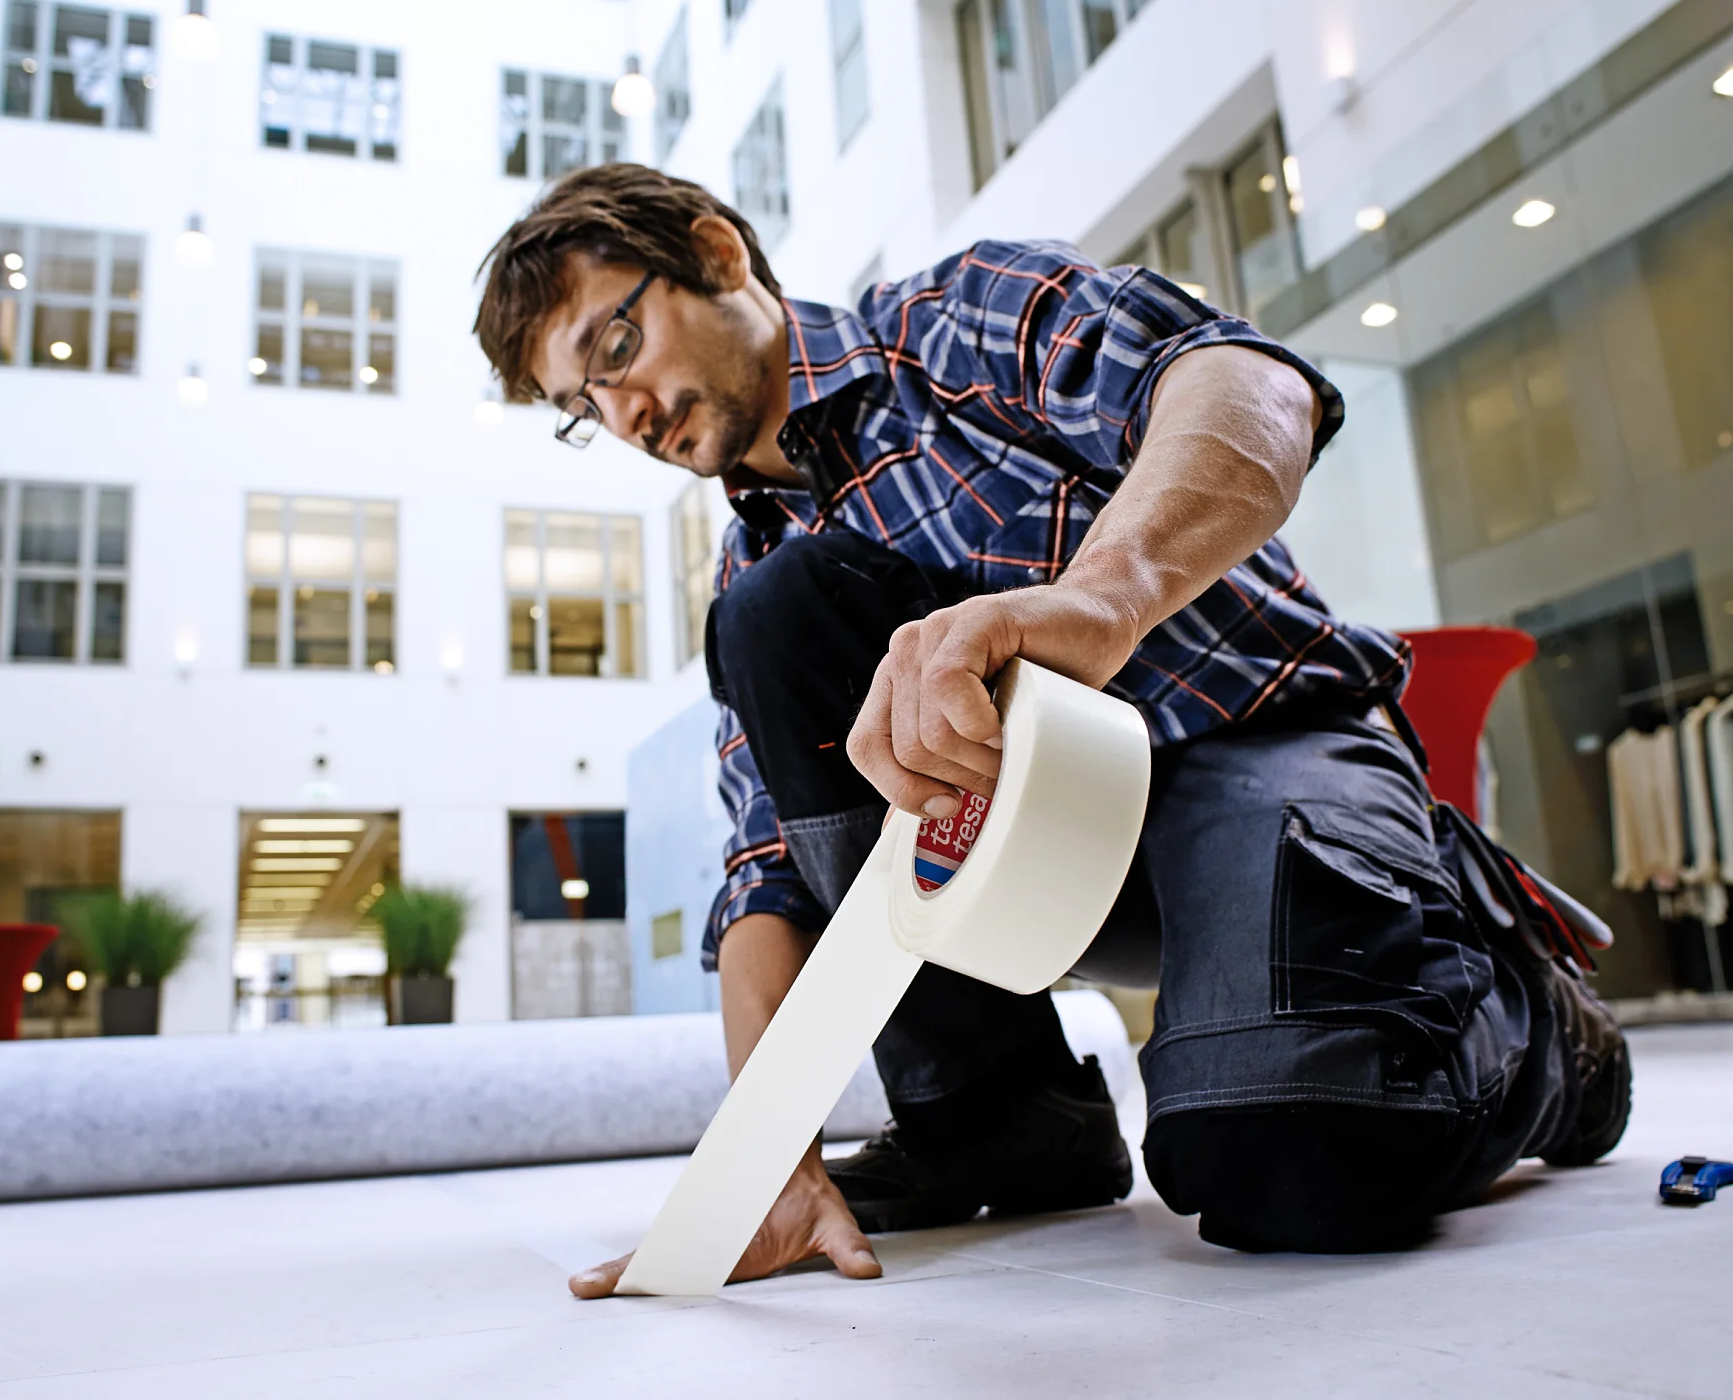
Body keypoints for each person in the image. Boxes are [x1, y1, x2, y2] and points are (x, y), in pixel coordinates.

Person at [473, 164, 1631, 1298]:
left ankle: (1540, 1031)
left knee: (1287, 1153)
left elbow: (1249, 385)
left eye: (613, 350)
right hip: (1069, 874)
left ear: (714, 253)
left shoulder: (952, 320)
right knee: (772, 612)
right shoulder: (753, 573)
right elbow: (770, 875)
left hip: (1254, 738)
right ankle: (1001, 1119)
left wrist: (1097, 599)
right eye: (581, 409)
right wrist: (759, 1165)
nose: (621, 413)